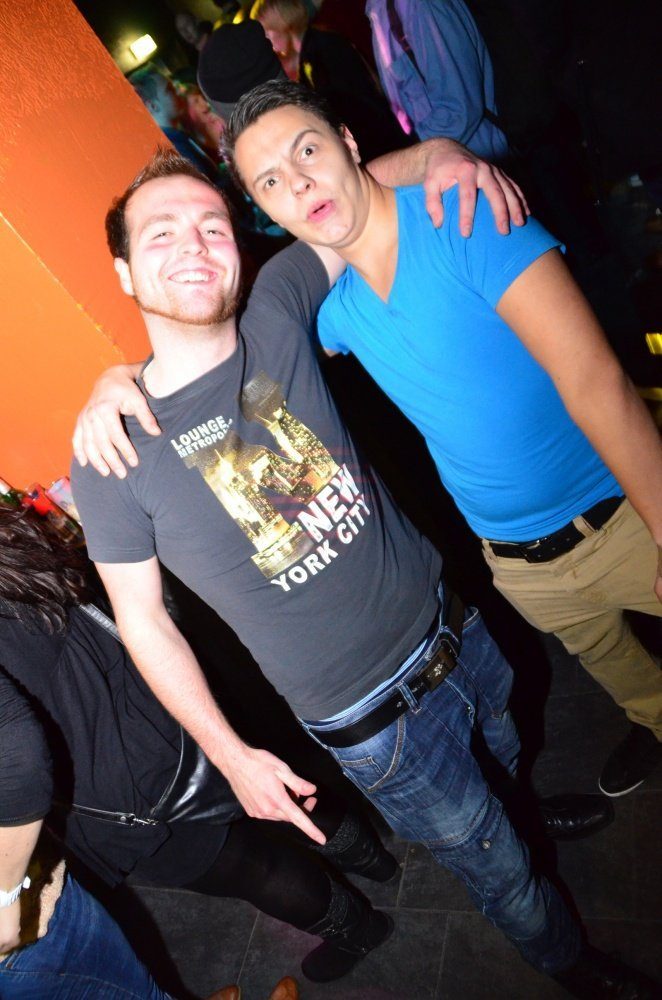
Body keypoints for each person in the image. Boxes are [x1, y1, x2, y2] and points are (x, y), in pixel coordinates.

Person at [69, 144, 654, 997]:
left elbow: (350, 188)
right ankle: (571, 963)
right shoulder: (114, 451)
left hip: (457, 628)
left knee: (508, 752)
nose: (193, 245)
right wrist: (232, 756)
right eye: (161, 234)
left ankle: (522, 813)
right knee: (495, 869)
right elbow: (143, 622)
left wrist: (443, 153)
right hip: (377, 724)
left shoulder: (278, 302)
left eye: (212, 226)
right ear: (123, 272)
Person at [220, 80, 662, 801]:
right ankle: (654, 720)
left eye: (308, 151)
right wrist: (121, 383)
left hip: (623, 515)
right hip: (516, 562)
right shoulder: (331, 311)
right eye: (270, 181)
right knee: (612, 662)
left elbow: (595, 380)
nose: (296, 183)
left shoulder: (461, 213)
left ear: (349, 143)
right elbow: (227, 349)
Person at [0, 505, 405, 984]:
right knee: (282, 795)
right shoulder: (9, 536)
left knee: (251, 865)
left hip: (117, 782)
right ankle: (376, 863)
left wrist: (5, 894)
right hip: (164, 703)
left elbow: (19, 756)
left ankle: (361, 931)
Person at [250, 0, 408, 160]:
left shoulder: (323, 47)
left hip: (380, 145)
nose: (267, 41)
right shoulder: (310, 53)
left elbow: (352, 104)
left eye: (267, 32)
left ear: (282, 23)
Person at [366, 0, 508, 160]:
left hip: (479, 160)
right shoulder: (377, 10)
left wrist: (405, 160)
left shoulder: (417, 5)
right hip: (449, 162)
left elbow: (459, 110)